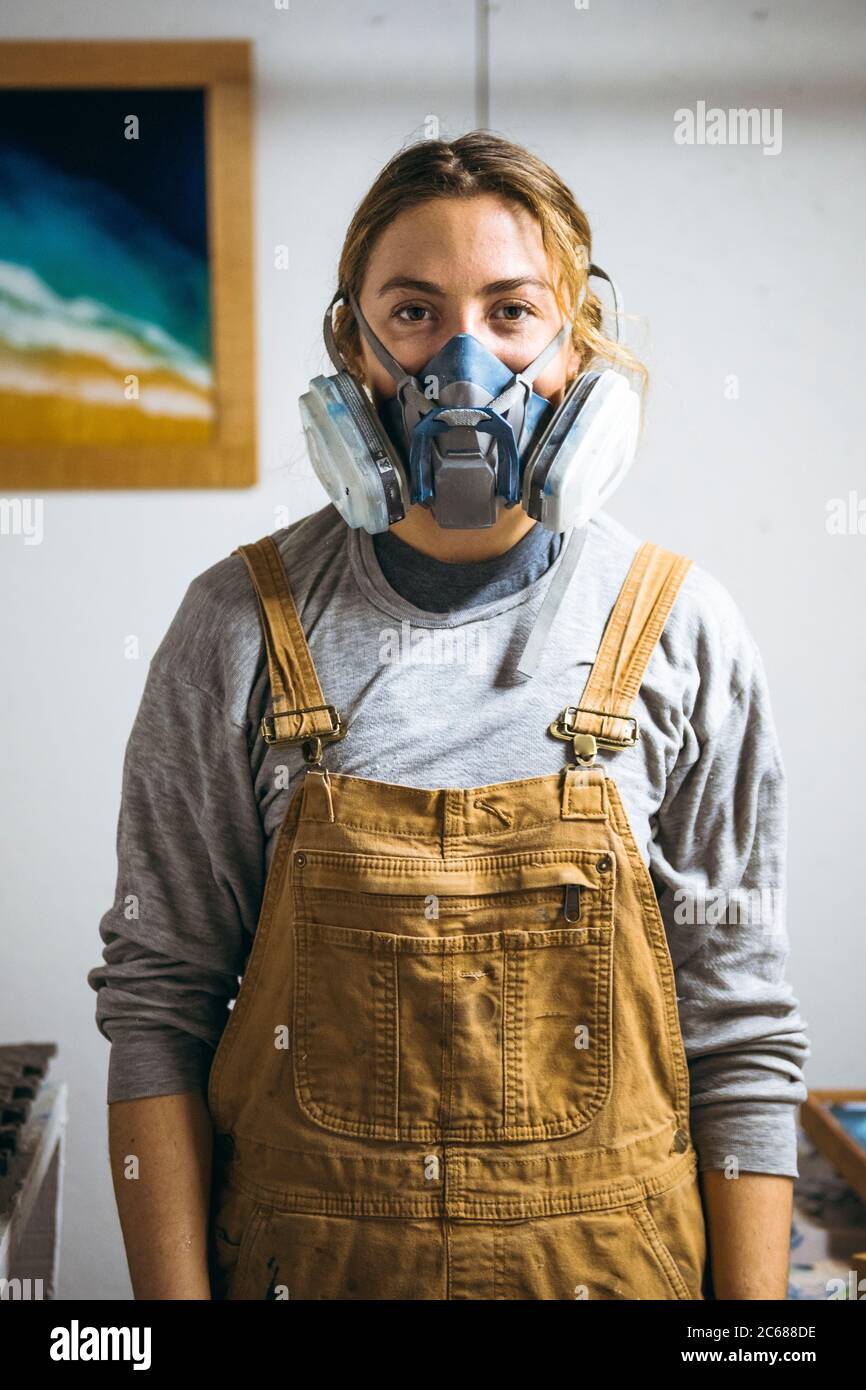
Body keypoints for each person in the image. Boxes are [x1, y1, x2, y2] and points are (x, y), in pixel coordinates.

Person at [88, 131, 810, 1301]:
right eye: (414, 312)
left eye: (512, 311)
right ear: (351, 345)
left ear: (577, 341)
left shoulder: (682, 628)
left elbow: (741, 1036)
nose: (462, 360)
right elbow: (157, 1007)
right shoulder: (232, 625)